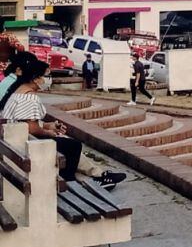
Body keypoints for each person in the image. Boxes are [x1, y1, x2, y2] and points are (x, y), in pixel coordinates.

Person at [0, 59, 126, 188]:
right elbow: (32, 128)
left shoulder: (17, 91)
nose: (47, 79)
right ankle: (69, 182)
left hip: (16, 140)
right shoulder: (29, 97)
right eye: (45, 75)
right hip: (24, 145)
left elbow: (25, 122)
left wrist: (49, 126)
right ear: (35, 78)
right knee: (73, 146)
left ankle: (97, 177)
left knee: (66, 143)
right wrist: (47, 131)